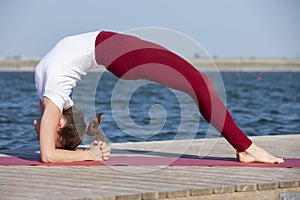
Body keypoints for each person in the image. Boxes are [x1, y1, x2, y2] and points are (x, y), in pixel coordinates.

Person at [33, 30, 284, 163]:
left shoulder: (51, 96)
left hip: (117, 47)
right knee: (200, 83)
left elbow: (53, 136)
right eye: (47, 130)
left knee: (198, 81)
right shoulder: (53, 94)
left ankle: (244, 147)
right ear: (60, 123)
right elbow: (49, 155)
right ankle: (246, 148)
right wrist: (87, 154)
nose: (40, 128)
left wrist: (76, 139)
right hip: (119, 53)